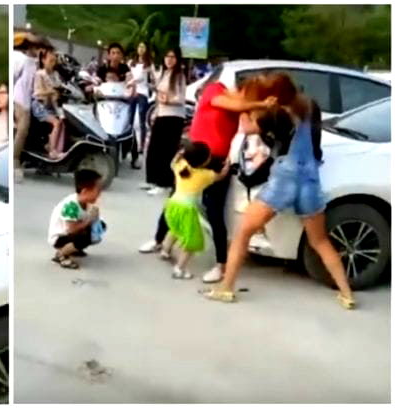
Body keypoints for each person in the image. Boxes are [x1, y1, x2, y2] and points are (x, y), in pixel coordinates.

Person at [201, 73, 356, 309]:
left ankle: (226, 288)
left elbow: (246, 128)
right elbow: (314, 143)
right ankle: (346, 294)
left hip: (285, 178)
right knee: (321, 241)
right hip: (311, 179)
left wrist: (248, 106)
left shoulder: (275, 114)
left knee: (243, 233)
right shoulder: (309, 105)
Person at [139, 75, 277, 283]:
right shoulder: (215, 89)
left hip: (217, 161)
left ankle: (221, 264)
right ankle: (159, 240)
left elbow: (250, 127)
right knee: (176, 199)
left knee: (214, 211)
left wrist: (269, 113)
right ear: (244, 90)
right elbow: (224, 103)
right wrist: (258, 103)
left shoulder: (242, 108)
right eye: (251, 96)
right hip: (194, 155)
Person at [160, 142, 229, 279]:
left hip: (173, 204)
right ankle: (179, 268)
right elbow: (221, 175)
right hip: (187, 209)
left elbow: (173, 163)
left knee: (175, 229)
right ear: (204, 161)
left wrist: (179, 156)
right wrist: (227, 163)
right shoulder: (204, 175)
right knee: (192, 241)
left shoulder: (181, 166)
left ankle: (165, 250)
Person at [144, 47, 187, 196]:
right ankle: (153, 180)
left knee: (166, 151)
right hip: (161, 114)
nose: (169, 59)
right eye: (167, 56)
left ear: (178, 59)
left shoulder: (179, 75)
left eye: (173, 57)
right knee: (154, 148)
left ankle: (165, 183)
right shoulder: (165, 73)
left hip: (173, 117)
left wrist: (168, 100)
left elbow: (181, 98)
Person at [48, 169, 104, 270]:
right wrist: (89, 220)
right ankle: (61, 254)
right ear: (85, 191)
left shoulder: (85, 202)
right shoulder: (71, 205)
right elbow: (72, 229)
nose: (100, 194)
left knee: (99, 227)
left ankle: (72, 249)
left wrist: (95, 218)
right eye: (98, 191)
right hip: (60, 237)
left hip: (71, 233)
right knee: (84, 238)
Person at [13, 32, 48, 182]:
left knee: (25, 130)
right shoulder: (21, 59)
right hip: (20, 99)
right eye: (36, 47)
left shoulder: (33, 62)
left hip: (27, 100)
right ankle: (15, 161)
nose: (39, 51)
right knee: (22, 130)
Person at [33, 49, 66, 160]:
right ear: (43, 60)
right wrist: (51, 91)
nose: (53, 63)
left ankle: (53, 146)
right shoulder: (40, 74)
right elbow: (37, 93)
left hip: (52, 105)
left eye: (54, 61)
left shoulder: (56, 74)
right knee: (56, 123)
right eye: (50, 60)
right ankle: (52, 151)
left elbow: (61, 86)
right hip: (39, 105)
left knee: (62, 122)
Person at [127, 41, 154, 169]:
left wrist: (132, 82)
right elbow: (130, 75)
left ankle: (141, 146)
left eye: (143, 46)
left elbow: (141, 78)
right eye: (139, 46)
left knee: (142, 120)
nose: (141, 49)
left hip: (142, 92)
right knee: (129, 120)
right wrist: (130, 84)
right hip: (132, 92)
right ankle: (129, 143)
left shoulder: (148, 64)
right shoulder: (132, 62)